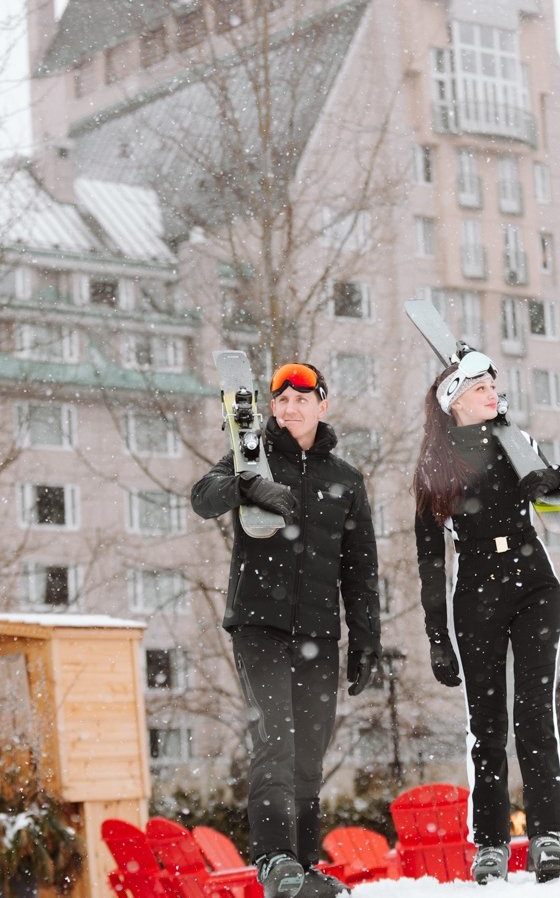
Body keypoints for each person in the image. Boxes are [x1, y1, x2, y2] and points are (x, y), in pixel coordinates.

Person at [191, 361, 382, 898]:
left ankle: (303, 865)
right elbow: (203, 497)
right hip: (259, 623)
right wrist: (247, 485)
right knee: (274, 737)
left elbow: (360, 568)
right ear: (271, 408)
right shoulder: (250, 459)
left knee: (310, 750)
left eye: (302, 399)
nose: (291, 408)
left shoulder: (346, 480)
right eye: (282, 401)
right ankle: (274, 858)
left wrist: (367, 639)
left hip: (319, 632)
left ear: (322, 405)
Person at [412, 351, 560, 884]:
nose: (492, 393)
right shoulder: (436, 468)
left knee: (534, 712)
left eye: (492, 386)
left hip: (533, 581)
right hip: (476, 589)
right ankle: (490, 843)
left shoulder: (517, 440)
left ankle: (549, 835)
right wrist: (437, 635)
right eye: (480, 387)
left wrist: (553, 481)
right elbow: (430, 560)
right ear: (455, 401)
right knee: (485, 723)